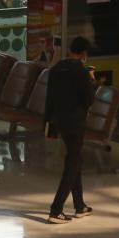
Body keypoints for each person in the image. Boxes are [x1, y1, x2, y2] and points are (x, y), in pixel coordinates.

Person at [43, 36, 97, 224]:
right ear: (84, 53)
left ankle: (79, 205)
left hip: (59, 121)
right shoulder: (81, 71)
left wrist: (48, 125)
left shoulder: (56, 68)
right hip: (75, 122)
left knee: (75, 158)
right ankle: (56, 210)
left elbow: (49, 99)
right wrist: (91, 81)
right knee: (72, 163)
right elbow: (89, 100)